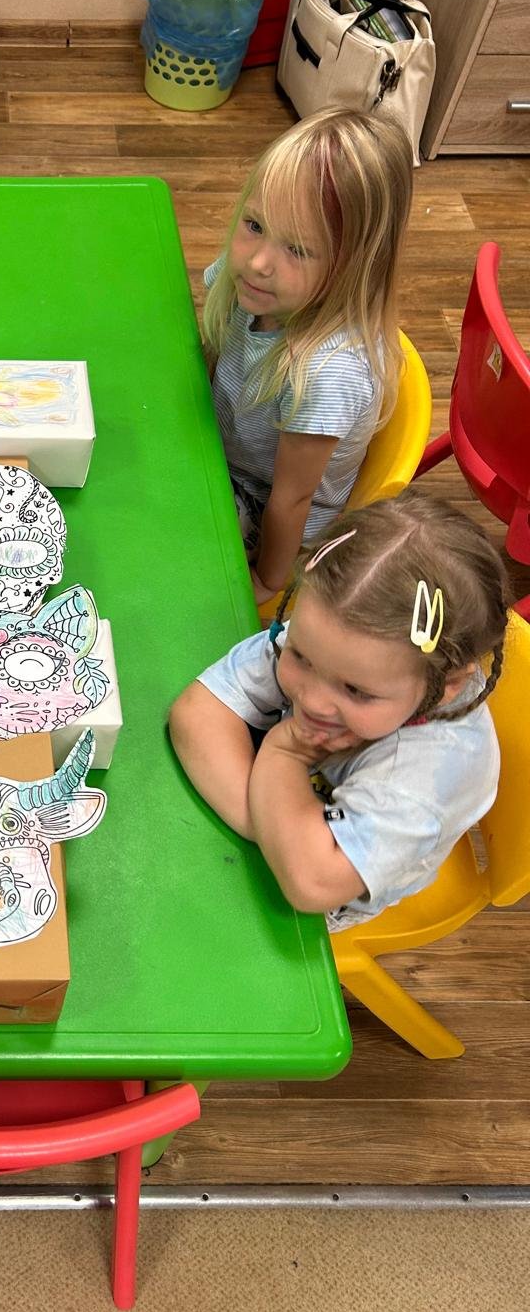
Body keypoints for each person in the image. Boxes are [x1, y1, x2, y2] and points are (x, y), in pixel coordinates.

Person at [168, 491, 509, 932]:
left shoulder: (421, 779)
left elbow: (311, 883)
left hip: (317, 913)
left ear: (446, 686)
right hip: (276, 829)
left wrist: (283, 754)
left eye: (355, 691)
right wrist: (276, 829)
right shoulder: (340, 639)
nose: (311, 700)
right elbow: (197, 713)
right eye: (300, 657)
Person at [201, 108, 414, 607]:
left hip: (262, 507)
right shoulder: (259, 284)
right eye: (254, 224)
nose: (257, 261)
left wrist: (267, 582)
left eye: (297, 249)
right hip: (218, 457)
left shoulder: (326, 372)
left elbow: (292, 498)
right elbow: (212, 346)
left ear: (352, 266)